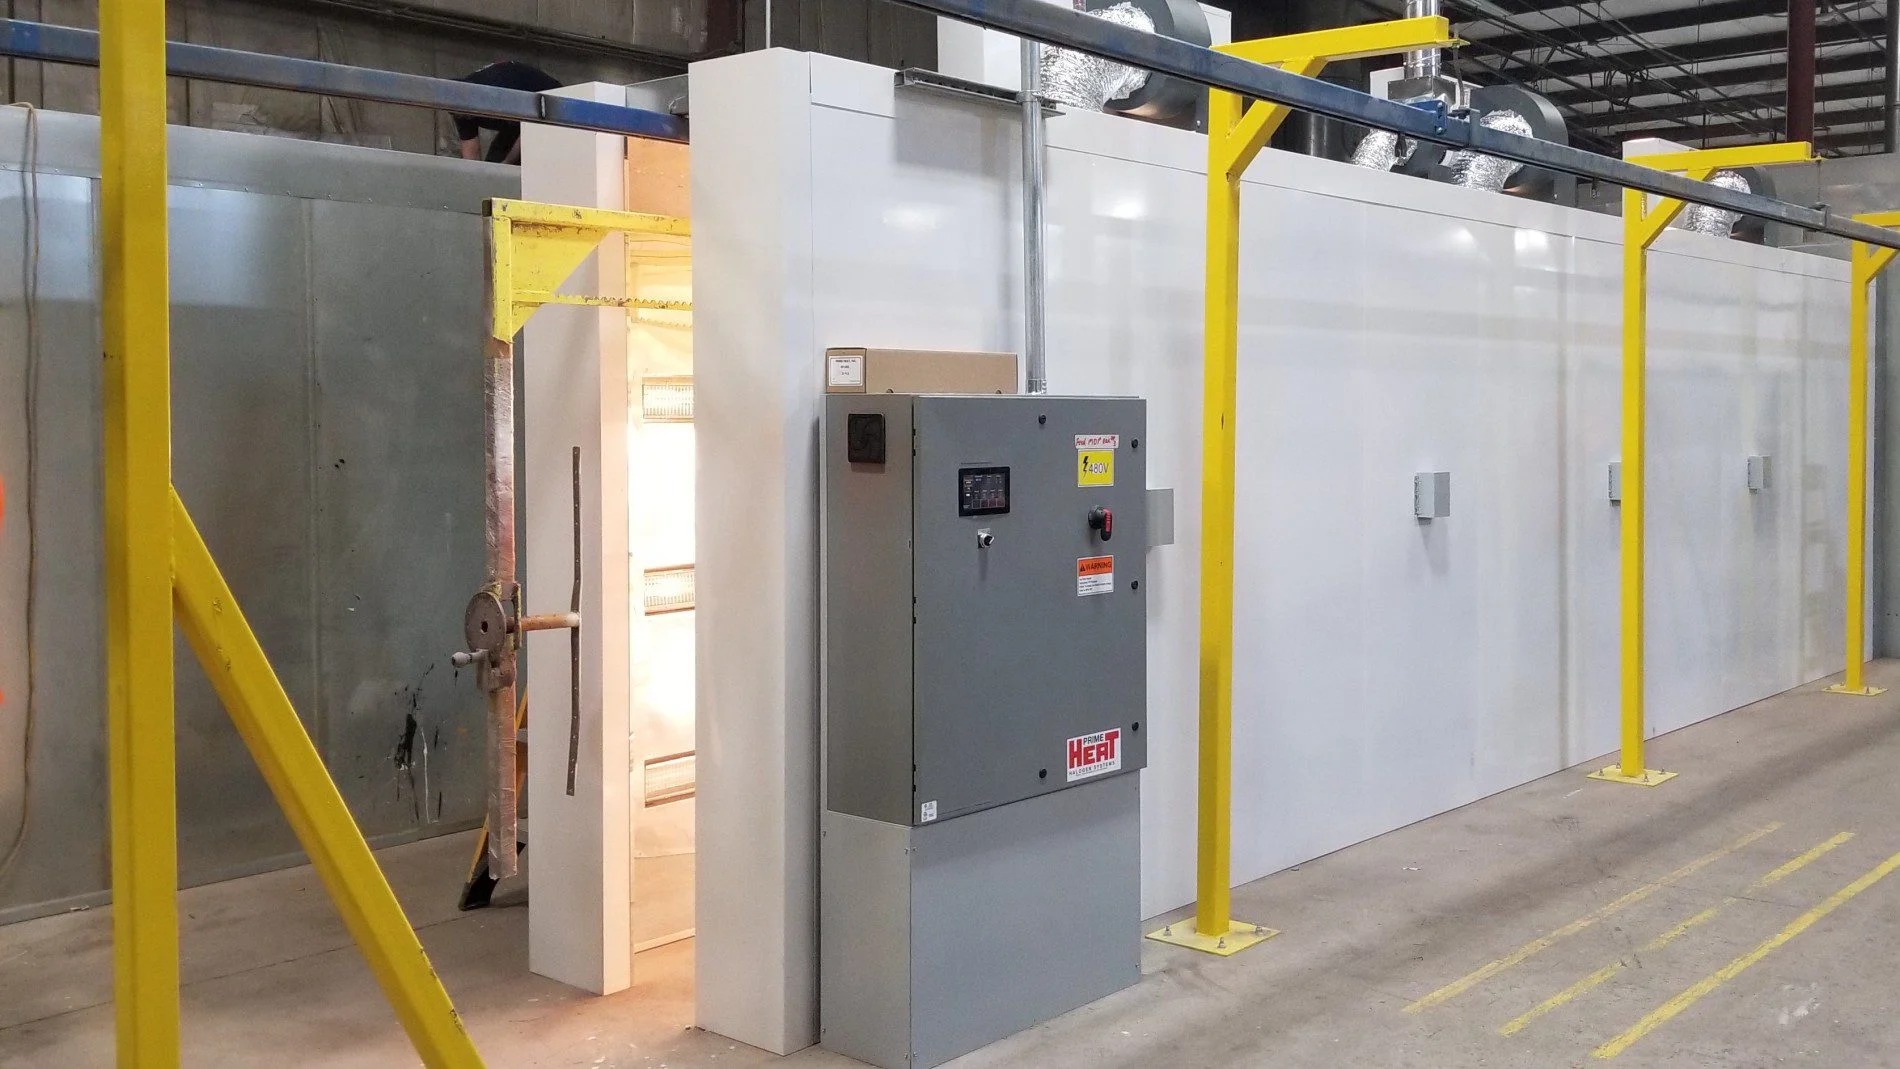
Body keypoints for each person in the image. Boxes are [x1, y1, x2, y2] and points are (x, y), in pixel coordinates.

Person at [452, 61, 562, 165]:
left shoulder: (495, 93)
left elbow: (529, 129)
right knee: (494, 164)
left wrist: (507, 163)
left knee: (515, 162)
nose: (464, 117)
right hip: (519, 118)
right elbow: (470, 152)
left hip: (553, 106)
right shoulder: (458, 104)